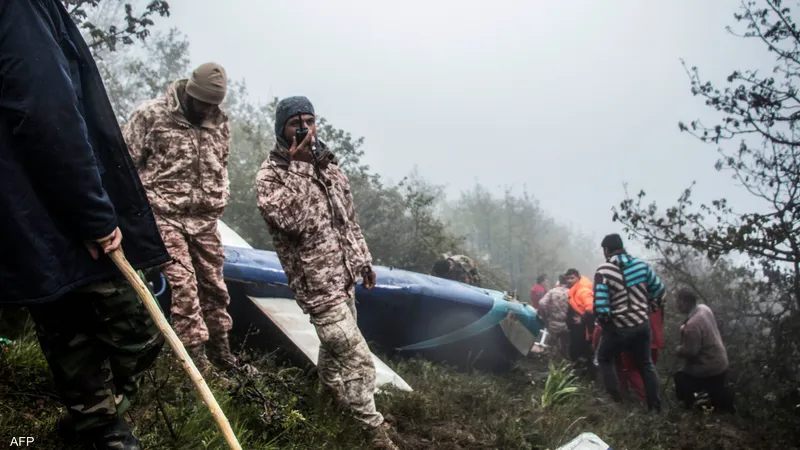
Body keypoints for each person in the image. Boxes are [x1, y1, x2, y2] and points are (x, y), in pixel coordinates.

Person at [0, 1, 171, 448]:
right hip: (44, 203)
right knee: (126, 324)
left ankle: (95, 424)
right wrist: (93, 214)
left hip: (32, 204)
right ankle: (96, 426)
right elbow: (45, 111)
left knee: (64, 312)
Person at [255, 96, 398, 449]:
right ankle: (374, 434)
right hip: (317, 286)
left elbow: (347, 220)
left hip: (344, 276)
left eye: (309, 120)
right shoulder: (271, 175)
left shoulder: (330, 167)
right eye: (295, 123)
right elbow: (292, 221)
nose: (304, 128)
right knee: (358, 360)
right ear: (282, 129)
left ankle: (329, 400)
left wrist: (362, 260)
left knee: (334, 352)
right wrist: (300, 167)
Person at [123, 62, 239, 373]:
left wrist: (220, 195)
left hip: (205, 222)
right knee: (183, 285)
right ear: (189, 93)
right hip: (164, 215)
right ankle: (196, 364)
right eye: (202, 102)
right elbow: (124, 164)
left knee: (215, 288)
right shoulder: (152, 115)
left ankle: (222, 355)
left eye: (214, 104)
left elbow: (222, 165)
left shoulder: (219, 124)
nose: (207, 109)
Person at [593, 234, 664, 412]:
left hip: (619, 328)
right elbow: (660, 290)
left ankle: (616, 402)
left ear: (607, 250)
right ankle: (655, 408)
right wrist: (648, 309)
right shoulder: (642, 266)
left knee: (604, 358)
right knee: (646, 364)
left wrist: (609, 327)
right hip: (641, 325)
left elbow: (601, 308)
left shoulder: (604, 271)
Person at [673, 289, 735, 413]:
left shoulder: (692, 324)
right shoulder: (704, 309)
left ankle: (691, 409)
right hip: (721, 361)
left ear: (685, 302)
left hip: (708, 366)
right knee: (718, 395)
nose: (677, 305)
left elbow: (691, 352)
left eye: (678, 301)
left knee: (681, 379)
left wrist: (679, 350)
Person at [591, 303, 664, 402]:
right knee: (647, 368)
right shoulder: (652, 297)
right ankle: (652, 400)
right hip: (654, 338)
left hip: (633, 337)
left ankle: (642, 399)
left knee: (630, 369)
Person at [564, 268, 595, 374]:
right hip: (576, 328)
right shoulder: (574, 291)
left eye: (572, 278)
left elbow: (590, 309)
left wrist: (582, 319)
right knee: (576, 351)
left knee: (584, 352)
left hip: (583, 329)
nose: (569, 280)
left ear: (578, 278)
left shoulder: (583, 290)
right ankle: (581, 373)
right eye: (567, 278)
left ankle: (588, 375)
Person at [537, 275, 570, 357]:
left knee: (552, 344)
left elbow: (542, 303)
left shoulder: (552, 291)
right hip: (567, 323)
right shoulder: (571, 292)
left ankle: (552, 363)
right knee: (566, 345)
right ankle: (565, 363)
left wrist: (547, 314)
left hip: (553, 322)